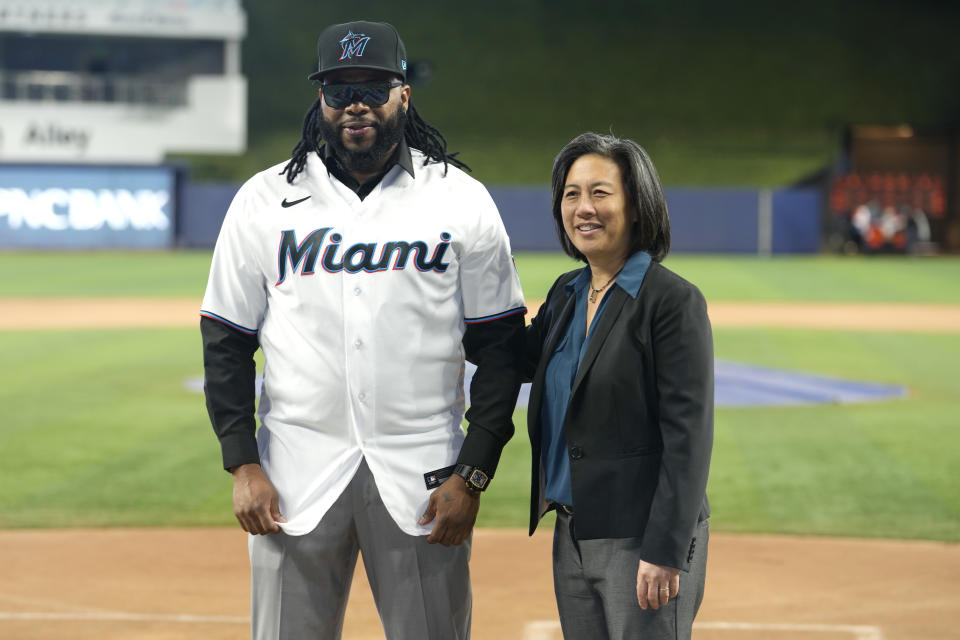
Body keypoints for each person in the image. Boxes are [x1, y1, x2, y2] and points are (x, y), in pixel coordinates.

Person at [200, 20, 525, 640]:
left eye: (374, 88)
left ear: (405, 94)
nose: (356, 104)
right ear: (319, 100)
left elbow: (501, 348)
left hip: (425, 478)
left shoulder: (461, 198)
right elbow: (226, 340)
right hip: (293, 475)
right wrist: (242, 463)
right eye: (339, 89)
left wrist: (474, 472)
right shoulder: (263, 200)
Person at [521, 132, 713, 639]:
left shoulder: (670, 302)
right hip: (573, 532)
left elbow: (688, 438)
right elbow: (513, 356)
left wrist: (665, 550)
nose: (584, 207)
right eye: (571, 193)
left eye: (600, 192)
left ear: (636, 204)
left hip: (640, 538)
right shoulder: (567, 291)